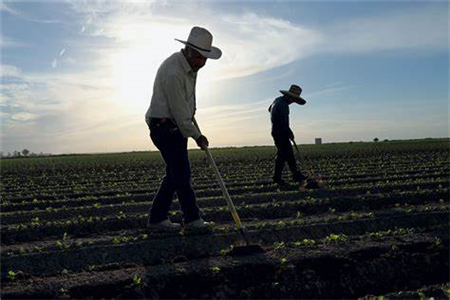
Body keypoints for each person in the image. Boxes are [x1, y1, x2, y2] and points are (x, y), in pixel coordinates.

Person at [145, 26, 222, 231]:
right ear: (189, 51)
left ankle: (158, 219)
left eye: (205, 58)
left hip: (174, 126)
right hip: (165, 126)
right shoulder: (174, 72)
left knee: (176, 174)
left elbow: (187, 107)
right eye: (200, 58)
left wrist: (193, 124)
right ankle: (191, 219)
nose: (203, 63)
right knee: (181, 173)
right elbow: (179, 112)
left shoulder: (190, 67)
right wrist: (198, 136)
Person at [268, 84, 308, 186]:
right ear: (289, 96)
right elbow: (284, 122)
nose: (293, 101)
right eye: (293, 99)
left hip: (276, 131)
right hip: (281, 132)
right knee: (282, 155)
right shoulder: (284, 105)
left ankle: (296, 175)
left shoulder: (277, 100)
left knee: (289, 154)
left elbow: (269, 109)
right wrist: (289, 132)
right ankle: (277, 178)